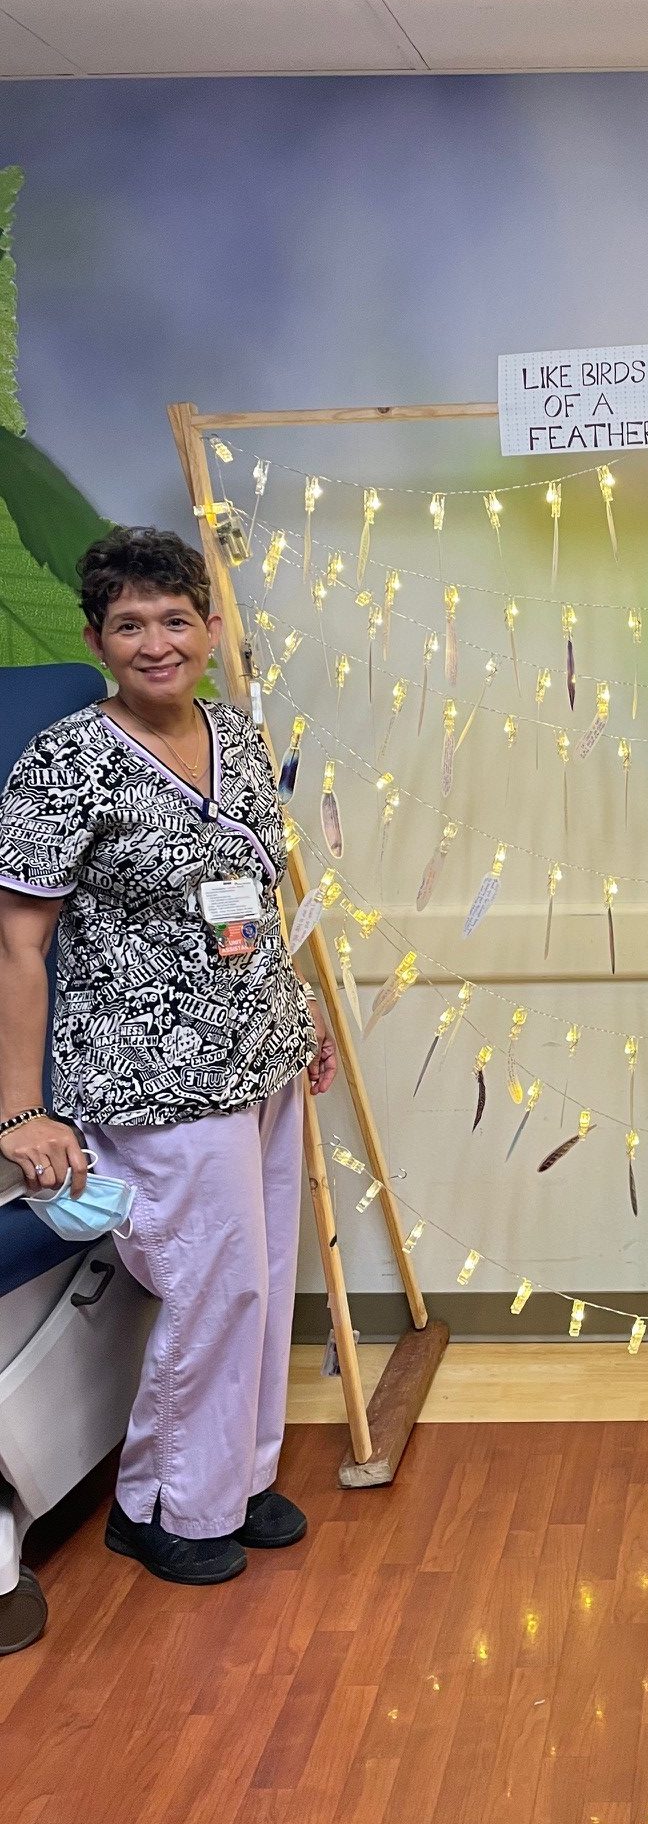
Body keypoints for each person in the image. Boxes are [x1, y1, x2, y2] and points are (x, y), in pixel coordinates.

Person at [0, 525, 335, 1585]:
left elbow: (257, 894)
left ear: (211, 628)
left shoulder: (236, 734)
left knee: (263, 1281)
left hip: (261, 1051)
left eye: (175, 620)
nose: (156, 643)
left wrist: (303, 1013)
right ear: (97, 641)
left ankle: (233, 1479)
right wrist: (20, 1111)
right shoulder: (66, 761)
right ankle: (163, 1507)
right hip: (153, 1075)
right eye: (129, 625)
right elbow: (16, 945)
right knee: (210, 1288)